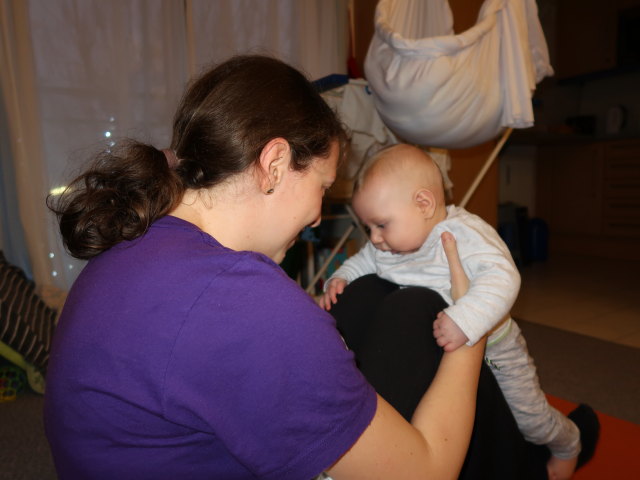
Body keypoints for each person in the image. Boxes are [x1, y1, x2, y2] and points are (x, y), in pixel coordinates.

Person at [44, 54, 494, 480]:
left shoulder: (139, 237)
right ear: (275, 165)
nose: (319, 215)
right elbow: (428, 472)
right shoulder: (242, 299)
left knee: (372, 295)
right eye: (323, 185)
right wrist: (473, 320)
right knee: (421, 309)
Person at [320, 143, 599, 480]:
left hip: (496, 349)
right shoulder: (389, 244)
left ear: (424, 204)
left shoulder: (464, 233)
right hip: (438, 342)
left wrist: (465, 319)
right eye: (369, 229)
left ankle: (568, 443)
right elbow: (364, 260)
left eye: (380, 225)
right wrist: (341, 277)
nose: (375, 239)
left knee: (530, 418)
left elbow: (503, 278)